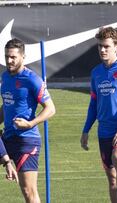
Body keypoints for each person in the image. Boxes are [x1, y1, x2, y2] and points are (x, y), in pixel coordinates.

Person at [81, 27, 117, 203]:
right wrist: (86, 130)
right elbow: (93, 104)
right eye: (100, 46)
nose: (102, 50)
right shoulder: (96, 73)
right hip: (104, 132)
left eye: (106, 46)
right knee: (112, 178)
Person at [1, 38, 56, 203]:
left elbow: (51, 109)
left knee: (28, 191)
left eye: (13, 57)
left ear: (23, 57)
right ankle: (7, 163)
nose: (9, 61)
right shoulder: (5, 77)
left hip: (27, 140)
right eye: (6, 57)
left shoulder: (32, 79)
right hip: (8, 137)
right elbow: (7, 106)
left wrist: (30, 123)